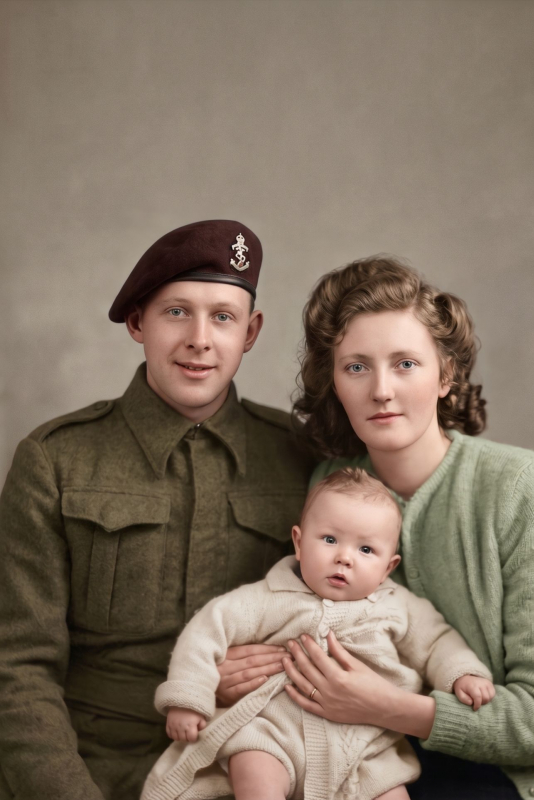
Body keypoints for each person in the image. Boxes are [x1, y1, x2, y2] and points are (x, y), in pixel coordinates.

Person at [267, 255, 534, 800]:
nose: (381, 390)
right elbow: (308, 627)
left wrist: (386, 706)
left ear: (446, 375)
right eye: (356, 367)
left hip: (521, 781)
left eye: (405, 363)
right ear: (333, 382)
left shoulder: (522, 487)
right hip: (383, 767)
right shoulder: (329, 484)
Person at [0, 220, 314, 800]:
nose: (200, 339)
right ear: (138, 322)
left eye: (223, 317)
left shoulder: (299, 458)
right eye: (176, 312)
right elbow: (17, 669)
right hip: (95, 769)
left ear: (250, 332)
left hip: (255, 765)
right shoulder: (55, 460)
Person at [141, 467, 495, 800]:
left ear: (388, 567)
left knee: (390, 790)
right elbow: (205, 633)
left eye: (366, 549)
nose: (344, 558)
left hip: (364, 746)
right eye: (329, 539)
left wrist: (463, 673)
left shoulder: (398, 606)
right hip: (273, 732)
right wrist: (188, 698)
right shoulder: (267, 597)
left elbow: (436, 642)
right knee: (252, 767)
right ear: (298, 542)